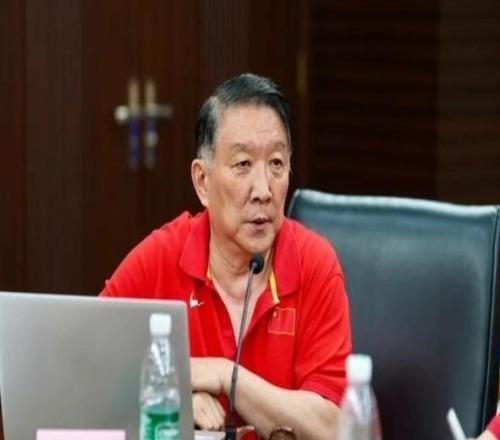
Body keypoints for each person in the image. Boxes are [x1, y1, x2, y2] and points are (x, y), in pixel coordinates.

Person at [101, 73, 352, 439]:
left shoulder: (315, 264)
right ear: (202, 181)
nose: (263, 190)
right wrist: (175, 392)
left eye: (276, 163)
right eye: (243, 164)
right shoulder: (161, 256)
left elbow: (333, 427)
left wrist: (224, 376)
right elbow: (90, 366)